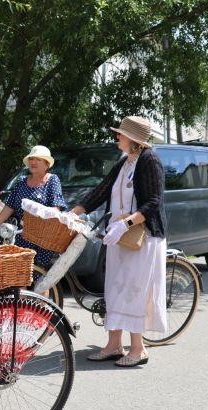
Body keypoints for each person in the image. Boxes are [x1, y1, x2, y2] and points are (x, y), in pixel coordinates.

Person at [70, 116, 167, 367]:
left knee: (135, 290)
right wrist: (74, 212)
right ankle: (114, 345)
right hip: (118, 235)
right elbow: (101, 191)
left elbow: (154, 201)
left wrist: (126, 224)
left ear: (133, 139)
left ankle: (138, 349)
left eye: (121, 134)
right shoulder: (125, 162)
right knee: (114, 288)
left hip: (141, 237)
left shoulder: (149, 160)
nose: (117, 137)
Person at [0, 145, 67, 266]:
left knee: (35, 272)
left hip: (42, 238)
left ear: (47, 164)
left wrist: (39, 217)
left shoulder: (52, 180)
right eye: (31, 159)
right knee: (16, 270)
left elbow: (56, 209)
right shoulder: (21, 181)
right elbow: (10, 205)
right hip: (21, 234)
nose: (33, 162)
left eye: (38, 159)